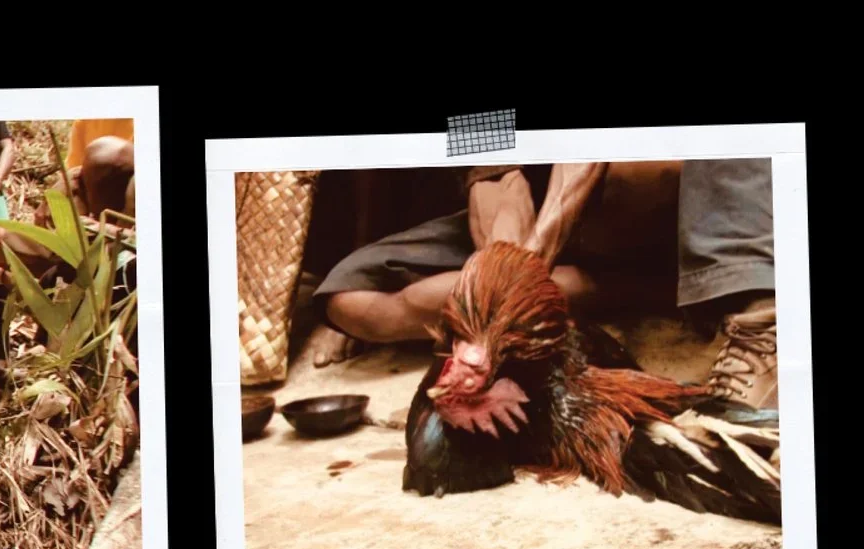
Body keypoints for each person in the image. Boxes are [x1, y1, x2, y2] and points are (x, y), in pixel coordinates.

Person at [309, 160, 775, 407]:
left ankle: (752, 308)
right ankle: (655, 289)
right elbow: (489, 161)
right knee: (350, 300)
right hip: (559, 215)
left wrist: (531, 260)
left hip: (633, 185)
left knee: (636, 176)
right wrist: (494, 195)